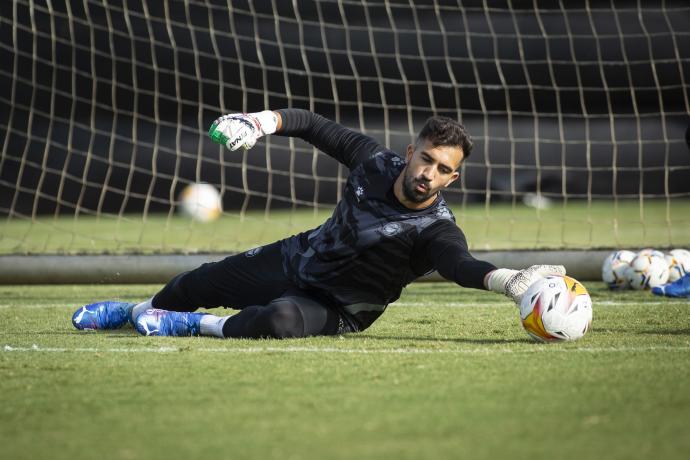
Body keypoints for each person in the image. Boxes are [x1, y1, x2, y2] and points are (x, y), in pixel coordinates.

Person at [71, 109, 566, 338]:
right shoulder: (374, 162)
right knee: (197, 280)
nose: (428, 174)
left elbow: (459, 264)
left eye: (442, 169)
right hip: (297, 258)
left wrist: (506, 281)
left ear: (453, 178)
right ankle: (133, 310)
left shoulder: (436, 228)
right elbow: (313, 125)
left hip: (341, 307)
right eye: (426, 159)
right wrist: (260, 123)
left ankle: (190, 326)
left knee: (279, 320)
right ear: (411, 152)